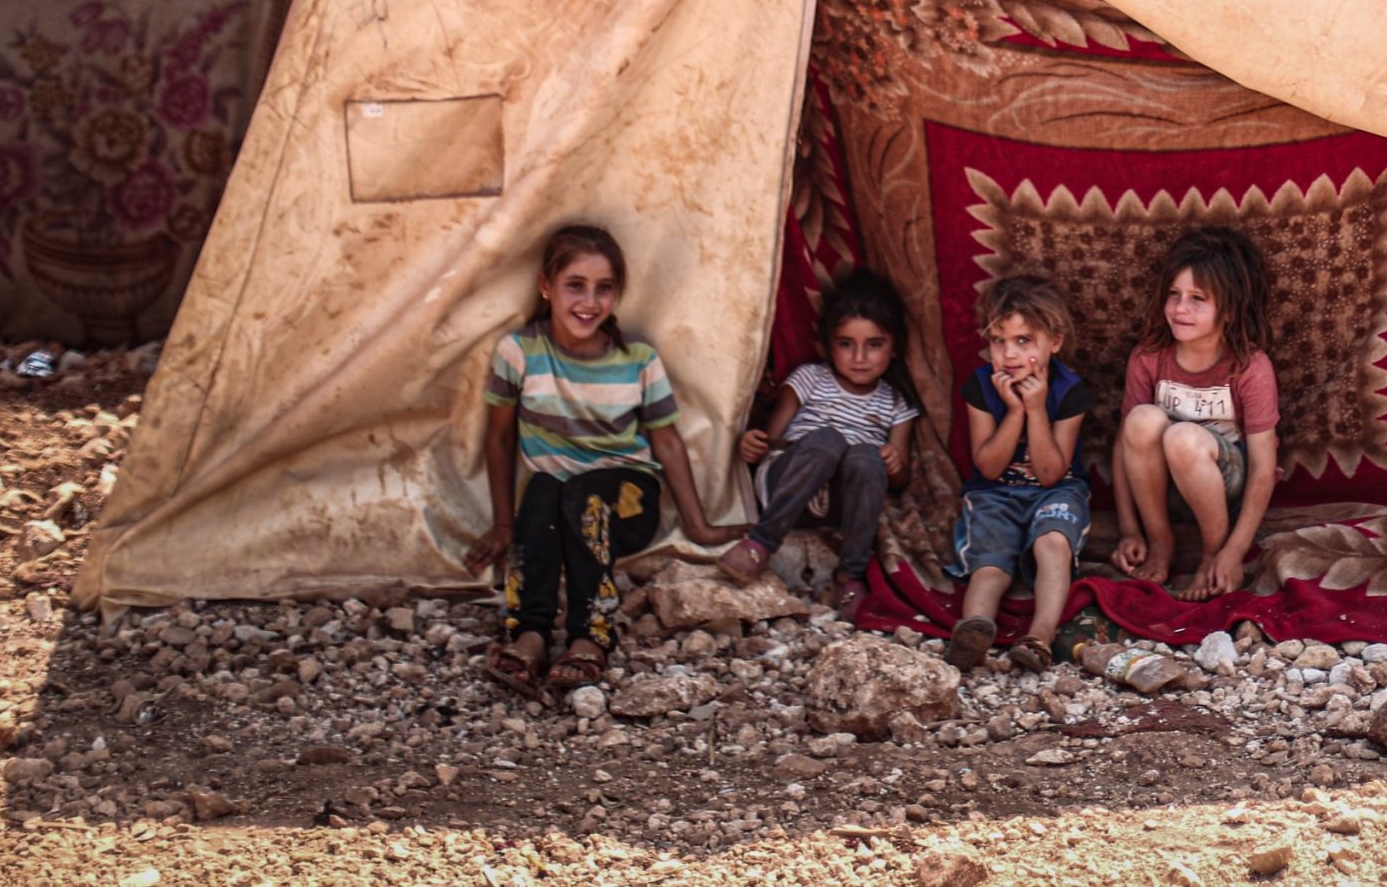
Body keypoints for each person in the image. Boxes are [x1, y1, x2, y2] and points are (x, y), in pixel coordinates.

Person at [463, 223, 743, 698]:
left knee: (582, 494)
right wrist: (503, 525)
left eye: (604, 289)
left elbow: (668, 444)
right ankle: (529, 633)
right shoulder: (521, 353)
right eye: (575, 286)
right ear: (546, 287)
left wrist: (699, 526)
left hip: (627, 499)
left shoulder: (637, 359)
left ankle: (591, 634)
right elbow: (498, 438)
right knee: (547, 490)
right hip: (556, 499)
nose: (588, 303)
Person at [722, 268, 922, 611]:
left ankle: (850, 574)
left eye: (874, 345)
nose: (859, 358)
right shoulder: (810, 378)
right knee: (827, 441)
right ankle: (761, 542)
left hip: (840, 505)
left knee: (864, 456)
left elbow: (900, 479)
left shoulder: (896, 402)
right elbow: (772, 442)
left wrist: (893, 463)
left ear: (894, 348)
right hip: (789, 487)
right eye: (847, 344)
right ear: (828, 345)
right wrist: (751, 446)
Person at [1112, 226, 1280, 602]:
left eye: (1197, 298)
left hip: (1223, 487)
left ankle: (1211, 552)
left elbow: (1264, 469)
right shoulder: (1149, 357)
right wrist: (1129, 530)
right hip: (1160, 486)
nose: (1180, 308)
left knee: (1182, 437)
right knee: (1141, 421)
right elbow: (1122, 446)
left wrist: (1232, 553)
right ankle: (1162, 542)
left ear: (1230, 308)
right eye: (1174, 294)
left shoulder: (1249, 367)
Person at [943, 275, 1094, 671]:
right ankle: (973, 631)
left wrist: (1037, 409)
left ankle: (1039, 638)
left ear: (1054, 342)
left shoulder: (1069, 391)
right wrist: (1013, 412)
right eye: (998, 341)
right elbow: (989, 467)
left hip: (1057, 490)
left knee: (1052, 545)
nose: (1009, 354)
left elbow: (1049, 473)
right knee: (991, 565)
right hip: (996, 493)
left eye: (1024, 340)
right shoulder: (980, 386)